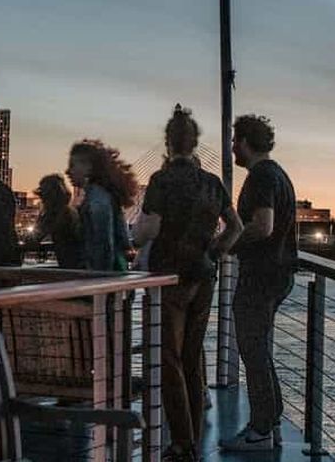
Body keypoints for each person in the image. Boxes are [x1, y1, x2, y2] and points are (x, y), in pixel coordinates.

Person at [134, 106, 242, 462]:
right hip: (204, 276)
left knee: (169, 359)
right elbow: (236, 228)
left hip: (171, 277)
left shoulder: (161, 181)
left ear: (168, 143)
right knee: (193, 359)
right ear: (195, 143)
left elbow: (148, 229)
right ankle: (193, 437)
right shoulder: (213, 182)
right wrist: (214, 251)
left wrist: (137, 237)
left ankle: (182, 444)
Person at [221, 115, 297, 452]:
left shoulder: (261, 176)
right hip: (278, 275)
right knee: (260, 350)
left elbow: (263, 226)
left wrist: (228, 242)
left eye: (236, 140)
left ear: (247, 142)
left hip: (261, 276)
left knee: (252, 351)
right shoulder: (279, 174)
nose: (233, 147)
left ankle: (260, 430)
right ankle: (271, 421)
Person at [66, 139, 137, 271]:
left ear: (89, 167)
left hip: (103, 278)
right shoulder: (103, 194)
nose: (68, 171)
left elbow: (103, 245)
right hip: (116, 274)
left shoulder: (97, 199)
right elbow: (123, 240)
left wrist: (99, 280)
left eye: (72, 165)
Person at [30, 174, 81, 269]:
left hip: (71, 266)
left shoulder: (58, 215)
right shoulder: (70, 212)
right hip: (74, 265)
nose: (42, 200)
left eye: (43, 196)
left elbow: (35, 238)